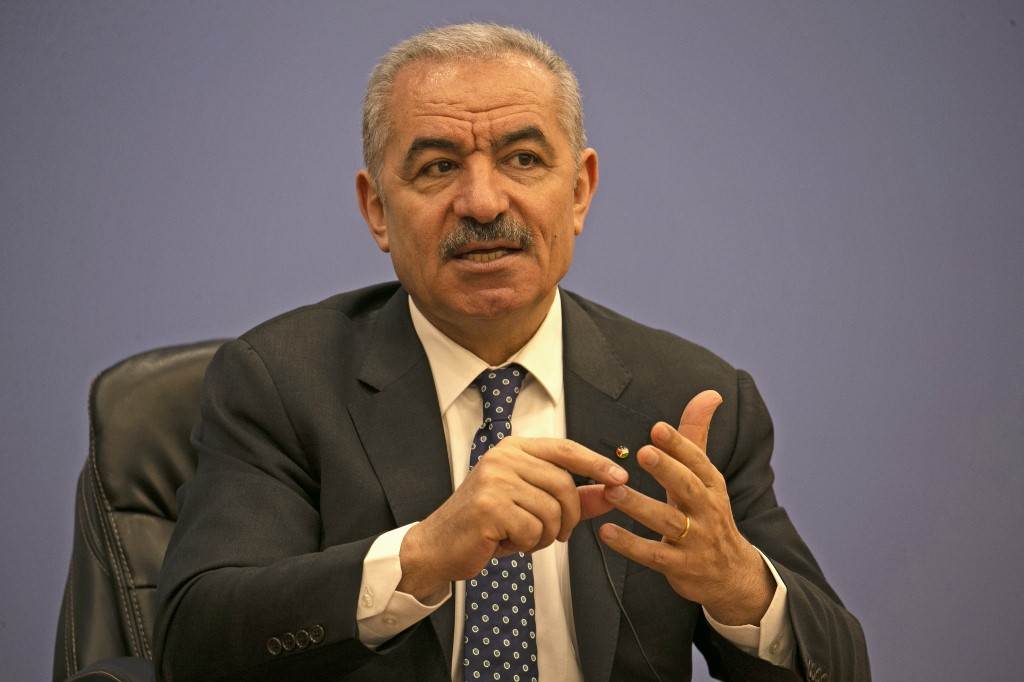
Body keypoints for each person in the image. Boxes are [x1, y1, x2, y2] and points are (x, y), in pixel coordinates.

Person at [154, 23, 869, 682]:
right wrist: (421, 555)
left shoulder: (691, 400)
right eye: (438, 167)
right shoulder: (282, 383)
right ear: (377, 210)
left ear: (579, 191)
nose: (483, 203)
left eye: (522, 160)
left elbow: (841, 664)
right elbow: (195, 642)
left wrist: (741, 588)